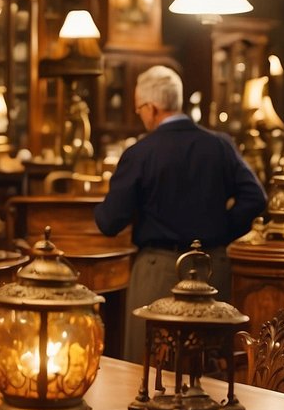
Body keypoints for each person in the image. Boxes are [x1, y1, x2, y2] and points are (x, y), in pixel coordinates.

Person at [95, 65, 267, 362]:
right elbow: (256, 197)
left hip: (160, 270)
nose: (140, 115)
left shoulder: (140, 153)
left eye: (139, 109)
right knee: (209, 363)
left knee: (149, 365)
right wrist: (223, 230)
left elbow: (110, 222)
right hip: (213, 266)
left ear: (152, 107)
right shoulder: (219, 146)